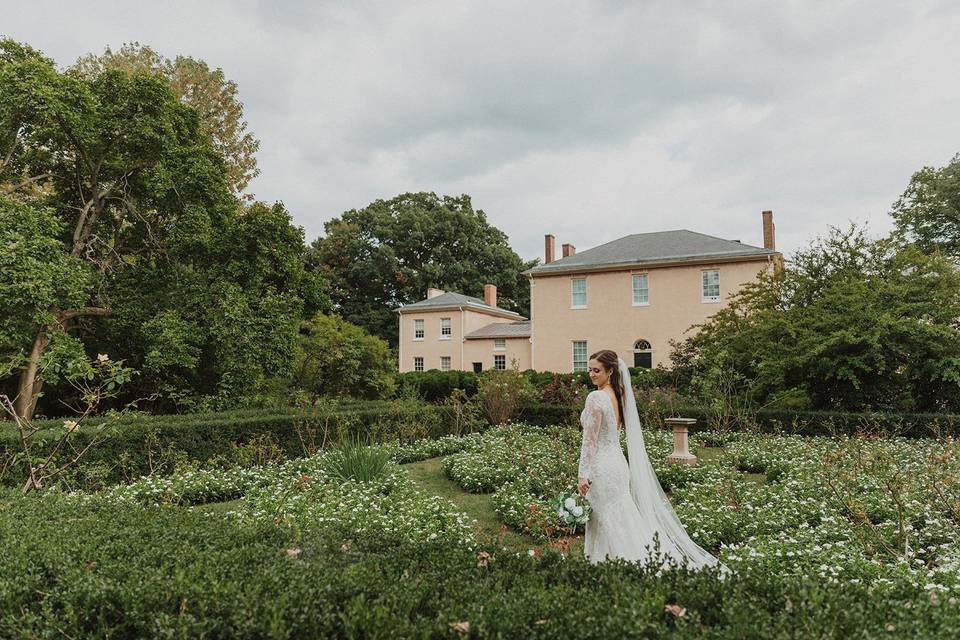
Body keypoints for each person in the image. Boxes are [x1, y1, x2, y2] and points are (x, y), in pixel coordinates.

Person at [577, 349, 729, 574]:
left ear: (610, 371)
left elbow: (589, 441)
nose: (591, 374)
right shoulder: (618, 396)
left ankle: (608, 567)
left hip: (601, 468)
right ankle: (629, 562)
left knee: (604, 518)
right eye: (589, 370)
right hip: (617, 465)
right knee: (621, 516)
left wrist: (583, 473)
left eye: (596, 370)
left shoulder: (596, 397)